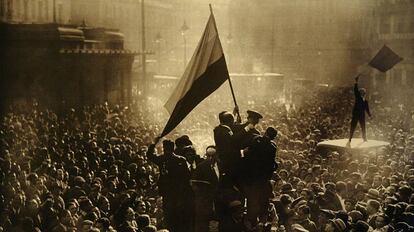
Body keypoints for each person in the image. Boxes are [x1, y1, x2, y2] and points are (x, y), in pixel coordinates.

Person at [147, 140, 193, 232]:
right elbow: (187, 176)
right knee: (178, 215)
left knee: (169, 215)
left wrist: (153, 144)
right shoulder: (181, 160)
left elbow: (150, 155)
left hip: (167, 193)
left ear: (164, 148)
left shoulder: (162, 159)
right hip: (179, 193)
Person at [242, 127, 278, 227]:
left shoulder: (255, 140)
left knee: (252, 204)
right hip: (263, 181)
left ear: (265, 132)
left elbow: (247, 157)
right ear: (273, 137)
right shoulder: (272, 147)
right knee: (263, 205)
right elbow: (272, 165)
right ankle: (260, 225)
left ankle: (251, 224)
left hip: (251, 180)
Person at [192, 146, 221, 232]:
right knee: (204, 223)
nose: (211, 158)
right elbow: (194, 183)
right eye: (209, 155)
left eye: (213, 155)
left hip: (219, 198)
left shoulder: (221, 165)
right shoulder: (201, 167)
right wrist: (201, 196)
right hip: (206, 200)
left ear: (217, 155)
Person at [347, 75, 371, 146]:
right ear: (361, 94)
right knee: (353, 126)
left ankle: (364, 138)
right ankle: (350, 138)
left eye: (364, 93)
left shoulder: (365, 101)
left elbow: (367, 109)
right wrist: (356, 82)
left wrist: (370, 115)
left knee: (363, 127)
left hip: (362, 116)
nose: (363, 94)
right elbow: (355, 90)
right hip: (356, 115)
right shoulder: (358, 98)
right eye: (362, 93)